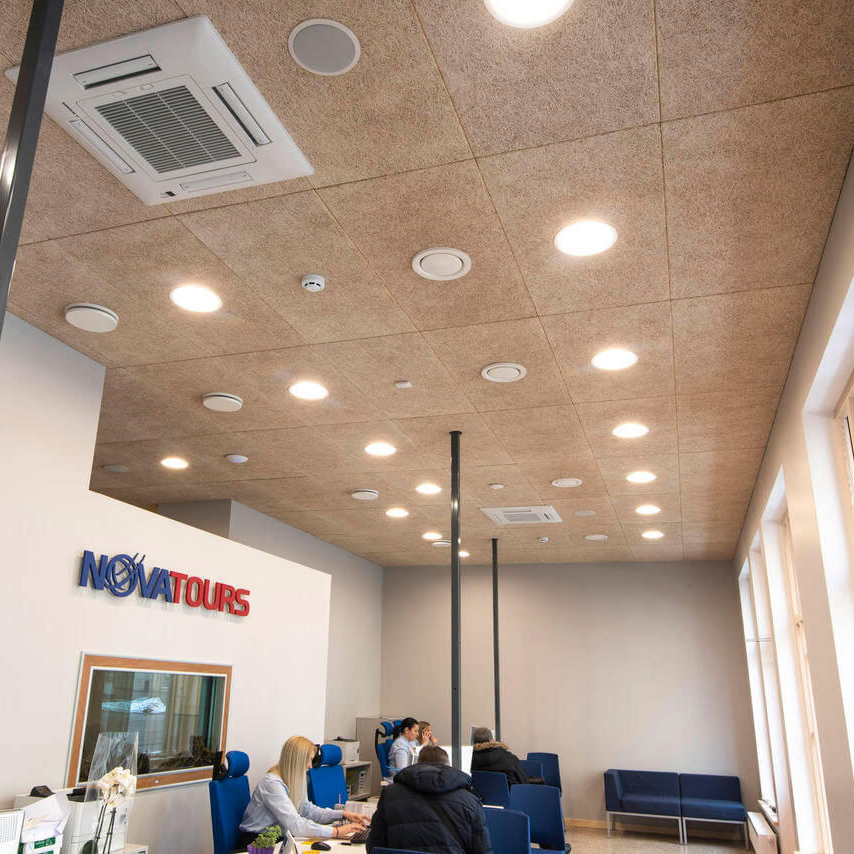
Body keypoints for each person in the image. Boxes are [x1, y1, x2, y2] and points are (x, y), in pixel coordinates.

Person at [237, 736, 368, 847]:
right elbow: (295, 825)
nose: (310, 766)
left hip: (279, 840)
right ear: (297, 760)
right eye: (309, 760)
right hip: (257, 843)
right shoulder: (271, 785)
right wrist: (337, 832)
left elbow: (307, 810)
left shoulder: (295, 778)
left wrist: (342, 814)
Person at [366, 745, 493, 854]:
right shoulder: (471, 802)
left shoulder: (389, 795)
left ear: (417, 764)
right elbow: (482, 850)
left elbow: (373, 847)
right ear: (448, 767)